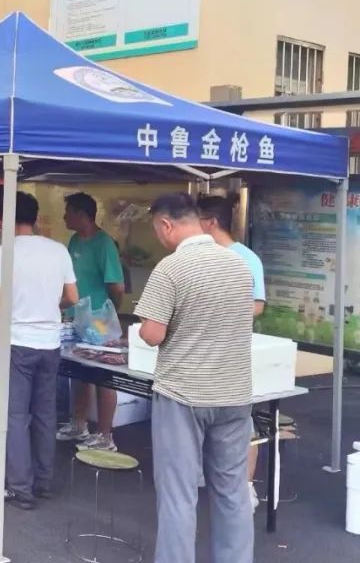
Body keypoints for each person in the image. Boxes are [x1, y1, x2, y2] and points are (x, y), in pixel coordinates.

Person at [135, 192, 254, 563]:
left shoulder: (170, 269)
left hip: (183, 393)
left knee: (179, 494)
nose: (159, 237)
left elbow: (153, 333)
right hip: (235, 393)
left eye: (157, 230)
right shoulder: (238, 265)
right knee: (233, 490)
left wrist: (146, 328)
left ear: (166, 224)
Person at [0, 191, 79, 510]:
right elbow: (72, 296)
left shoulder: (4, 252)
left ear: (5, 217)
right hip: (50, 343)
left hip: (18, 342)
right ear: (36, 216)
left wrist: (18, 310)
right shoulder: (58, 250)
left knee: (15, 416)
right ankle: (43, 482)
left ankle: (20, 488)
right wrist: (49, 306)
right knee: (45, 414)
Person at [199, 193, 266, 512]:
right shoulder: (197, 256)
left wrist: (222, 313)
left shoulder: (246, 258)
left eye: (197, 220)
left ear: (211, 222)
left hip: (233, 354)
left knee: (240, 421)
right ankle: (207, 473)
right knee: (201, 415)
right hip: (199, 353)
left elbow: (257, 304)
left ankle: (246, 486)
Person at [56, 192, 125, 453]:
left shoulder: (104, 244)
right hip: (76, 317)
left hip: (98, 321)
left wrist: (108, 312)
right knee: (79, 372)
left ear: (81, 214)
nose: (64, 217)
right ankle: (79, 423)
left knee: (103, 376)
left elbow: (117, 286)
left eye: (68, 212)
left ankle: (105, 435)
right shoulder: (75, 240)